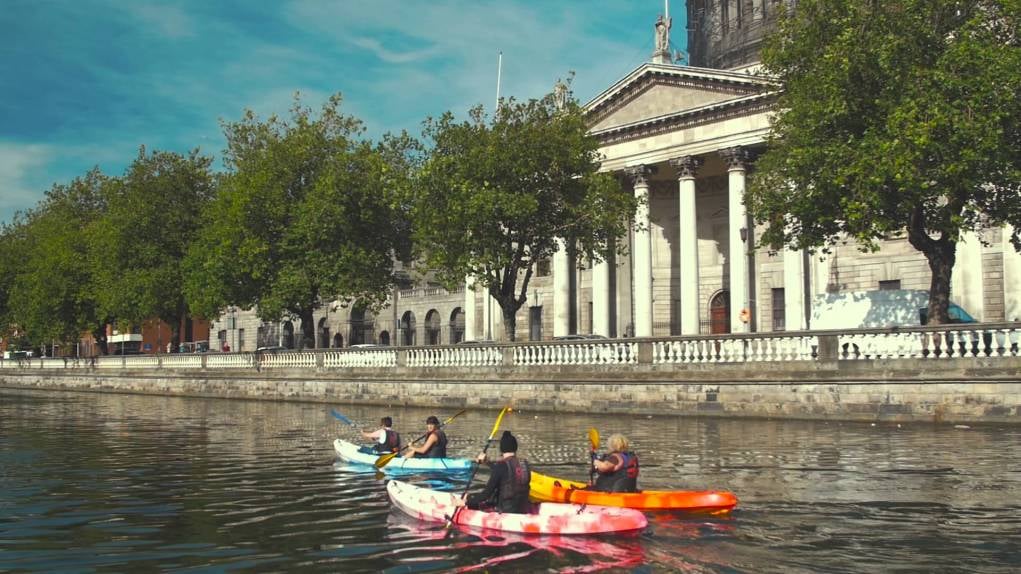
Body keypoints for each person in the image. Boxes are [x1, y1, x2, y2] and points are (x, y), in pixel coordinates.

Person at [457, 430, 532, 514]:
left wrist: (466, 501)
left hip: (505, 511)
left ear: (501, 449)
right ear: (515, 447)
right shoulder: (525, 463)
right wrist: (487, 462)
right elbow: (505, 473)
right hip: (522, 508)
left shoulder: (501, 466)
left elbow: (485, 495)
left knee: (471, 497)